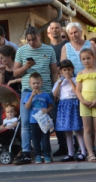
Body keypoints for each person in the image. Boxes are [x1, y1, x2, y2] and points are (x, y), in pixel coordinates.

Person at [12, 26, 58, 165]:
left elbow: (54, 72)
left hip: (45, 91)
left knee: (45, 123)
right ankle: (26, 151)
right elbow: (15, 73)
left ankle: (45, 152)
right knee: (26, 123)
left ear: (39, 36)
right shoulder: (21, 50)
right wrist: (26, 66)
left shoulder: (49, 50)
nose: (31, 42)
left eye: (34, 39)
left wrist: (55, 90)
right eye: (29, 40)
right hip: (28, 90)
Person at [76, 49, 96, 162]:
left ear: (93, 58)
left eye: (88, 58)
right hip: (85, 103)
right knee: (87, 128)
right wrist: (82, 101)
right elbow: (78, 90)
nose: (86, 61)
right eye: (83, 59)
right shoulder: (80, 74)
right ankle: (90, 153)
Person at [47, 21, 70, 156]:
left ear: (61, 30)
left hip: (68, 87)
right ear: (48, 32)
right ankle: (63, 146)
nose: (55, 30)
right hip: (53, 87)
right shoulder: (47, 49)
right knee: (56, 117)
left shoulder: (67, 46)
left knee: (72, 116)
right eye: (52, 28)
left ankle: (76, 145)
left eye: (57, 28)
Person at [53, 60, 84, 162]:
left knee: (78, 130)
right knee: (67, 131)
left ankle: (83, 152)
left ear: (72, 70)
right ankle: (70, 153)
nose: (67, 72)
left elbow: (77, 92)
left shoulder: (75, 80)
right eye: (64, 70)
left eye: (69, 69)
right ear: (61, 71)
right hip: (64, 105)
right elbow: (55, 94)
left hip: (74, 104)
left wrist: (70, 80)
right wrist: (59, 83)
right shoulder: (59, 82)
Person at [23, 73, 53, 163]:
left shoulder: (45, 95)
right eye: (33, 83)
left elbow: (51, 106)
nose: (36, 85)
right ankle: (38, 156)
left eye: (38, 83)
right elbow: (27, 107)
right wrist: (32, 96)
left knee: (45, 139)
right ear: (30, 84)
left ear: (41, 83)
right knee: (35, 140)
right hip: (34, 121)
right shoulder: (28, 95)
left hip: (44, 121)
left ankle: (47, 155)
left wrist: (47, 110)